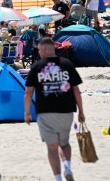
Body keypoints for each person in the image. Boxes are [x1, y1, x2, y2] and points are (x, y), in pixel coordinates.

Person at [24, 38, 85, 181]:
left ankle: (58, 178)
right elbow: (76, 90)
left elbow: (28, 92)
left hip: (46, 111)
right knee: (64, 143)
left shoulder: (37, 67)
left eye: (39, 50)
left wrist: (27, 112)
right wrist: (81, 111)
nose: (39, 53)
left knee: (52, 147)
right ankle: (68, 167)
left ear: (44, 50)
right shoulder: (67, 64)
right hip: (66, 110)